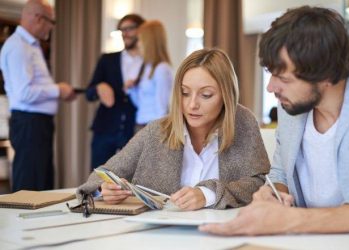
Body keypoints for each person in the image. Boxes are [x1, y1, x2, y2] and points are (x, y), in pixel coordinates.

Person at [200, 6, 349, 235]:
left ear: (326, 74)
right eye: (271, 74)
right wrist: (271, 193)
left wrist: (291, 219)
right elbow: (280, 173)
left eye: (283, 78)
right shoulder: (291, 106)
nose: (271, 87)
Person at [77, 48, 269, 210]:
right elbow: (103, 173)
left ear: (226, 96)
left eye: (206, 95)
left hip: (222, 234)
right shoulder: (157, 130)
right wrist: (104, 189)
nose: (192, 104)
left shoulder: (243, 122)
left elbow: (260, 183)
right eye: (185, 93)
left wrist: (207, 194)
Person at [0, 0, 75, 192]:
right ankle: (24, 223)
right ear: (39, 19)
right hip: (30, 124)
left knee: (41, 183)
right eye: (52, 22)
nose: (51, 27)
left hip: (37, 124)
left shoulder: (31, 45)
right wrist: (58, 89)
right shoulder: (19, 47)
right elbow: (24, 93)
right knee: (30, 186)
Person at [86, 14, 145, 170]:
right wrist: (99, 88)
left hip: (134, 131)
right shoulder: (107, 59)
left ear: (142, 30)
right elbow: (89, 92)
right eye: (122, 30)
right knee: (98, 177)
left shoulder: (150, 64)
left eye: (130, 28)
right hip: (105, 128)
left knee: (130, 179)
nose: (125, 33)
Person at [125, 20, 173, 133]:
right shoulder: (146, 67)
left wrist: (157, 134)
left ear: (150, 42)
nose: (138, 44)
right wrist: (131, 89)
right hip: (140, 124)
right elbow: (141, 103)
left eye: (141, 40)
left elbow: (162, 107)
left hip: (153, 127)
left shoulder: (162, 69)